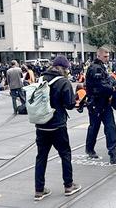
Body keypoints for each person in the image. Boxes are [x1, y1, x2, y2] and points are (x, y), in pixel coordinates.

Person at [34, 56, 81, 201]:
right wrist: (78, 96)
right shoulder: (63, 82)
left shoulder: (41, 79)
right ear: (64, 68)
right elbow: (69, 104)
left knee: (41, 157)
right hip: (57, 125)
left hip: (41, 125)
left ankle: (39, 190)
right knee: (65, 154)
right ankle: (68, 185)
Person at [85, 47, 116, 164]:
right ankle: (90, 149)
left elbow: (106, 81)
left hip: (104, 103)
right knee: (94, 127)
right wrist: (112, 88)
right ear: (99, 56)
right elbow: (101, 86)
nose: (107, 58)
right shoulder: (95, 68)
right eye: (105, 56)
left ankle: (113, 154)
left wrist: (112, 84)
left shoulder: (101, 67)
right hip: (96, 103)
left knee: (110, 127)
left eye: (108, 56)